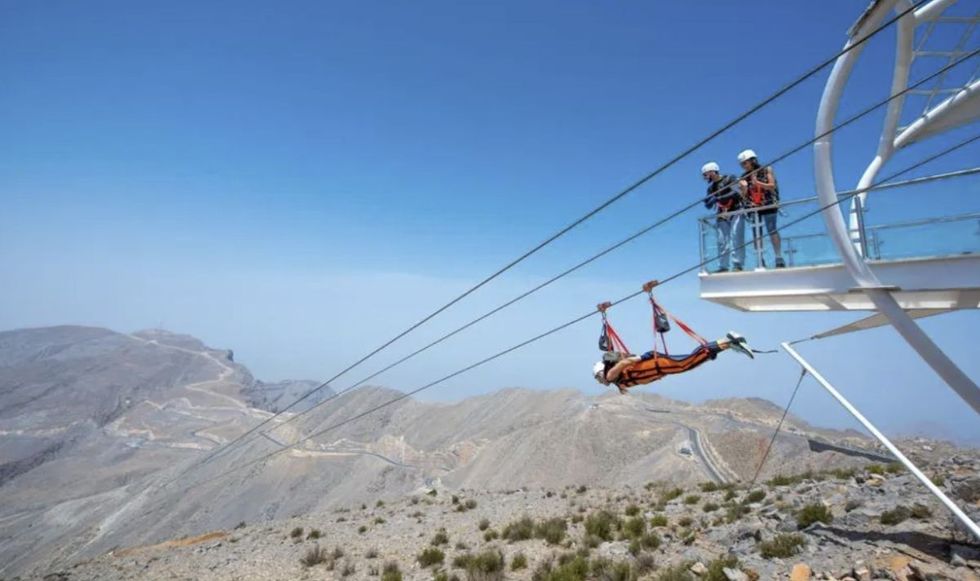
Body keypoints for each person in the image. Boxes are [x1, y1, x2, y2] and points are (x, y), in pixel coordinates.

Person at [593, 332, 754, 394]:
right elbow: (640, 378)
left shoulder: (611, 375)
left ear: (602, 373)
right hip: (657, 368)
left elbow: (623, 364)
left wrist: (640, 358)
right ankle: (727, 344)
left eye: (599, 378)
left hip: (655, 364)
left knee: (686, 363)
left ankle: (727, 341)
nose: (602, 381)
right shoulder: (618, 382)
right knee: (688, 362)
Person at [738, 149, 785, 269]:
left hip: (768, 204)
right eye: (742, 164)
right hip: (754, 207)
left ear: (752, 161)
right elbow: (743, 196)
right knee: (756, 234)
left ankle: (778, 257)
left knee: (772, 229)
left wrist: (757, 183)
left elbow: (772, 186)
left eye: (745, 163)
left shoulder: (766, 169)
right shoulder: (743, 177)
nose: (743, 166)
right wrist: (743, 189)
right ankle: (760, 259)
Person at [701, 161, 745, 272]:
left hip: (735, 210)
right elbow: (709, 206)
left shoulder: (729, 179)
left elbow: (736, 192)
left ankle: (737, 264)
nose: (706, 177)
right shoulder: (711, 188)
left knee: (737, 238)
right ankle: (723, 266)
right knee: (722, 242)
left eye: (706, 174)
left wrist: (718, 198)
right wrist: (708, 202)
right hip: (722, 214)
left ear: (712, 172)